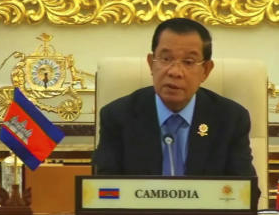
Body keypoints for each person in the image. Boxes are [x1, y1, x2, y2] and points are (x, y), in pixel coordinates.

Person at [92, 18, 256, 177]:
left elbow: (246, 193)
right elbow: (104, 190)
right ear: (151, 63)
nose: (175, 72)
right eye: (166, 59)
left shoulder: (230, 119)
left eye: (189, 62)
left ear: (206, 70)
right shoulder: (117, 116)